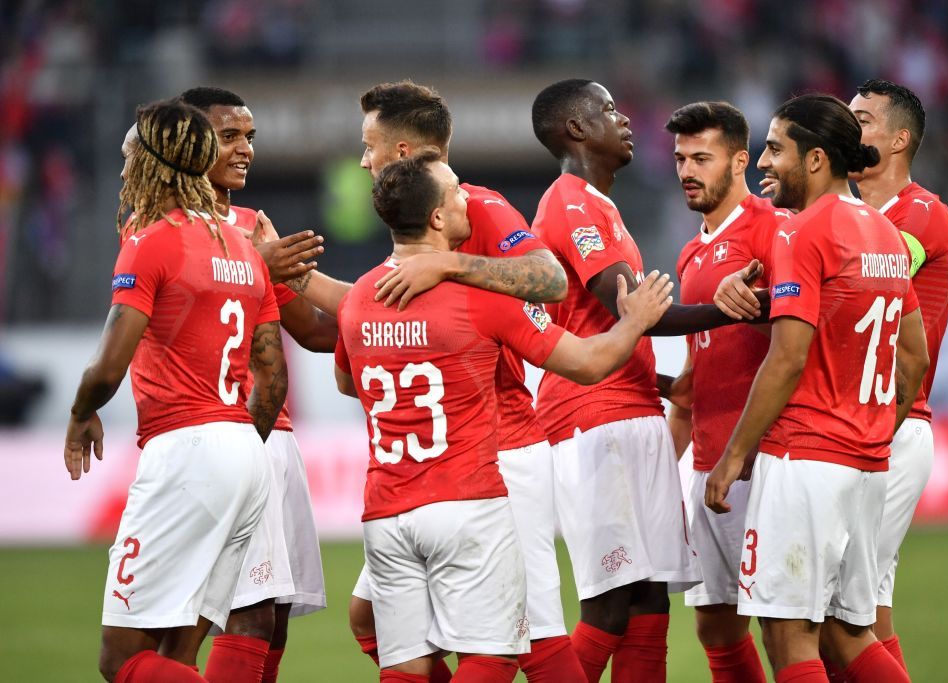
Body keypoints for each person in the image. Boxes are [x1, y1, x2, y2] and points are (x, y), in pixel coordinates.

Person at [335, 149, 675, 683]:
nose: (466, 195)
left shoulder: (357, 299)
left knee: (404, 666)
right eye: (455, 191)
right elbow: (587, 364)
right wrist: (634, 322)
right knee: (493, 655)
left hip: (385, 510)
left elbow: (344, 381)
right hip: (467, 502)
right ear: (438, 218)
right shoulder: (479, 299)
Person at [286, 81, 583, 682]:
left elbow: (551, 279)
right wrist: (291, 274)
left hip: (500, 452)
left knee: (534, 634)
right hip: (439, 467)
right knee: (371, 619)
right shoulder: (410, 226)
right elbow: (357, 316)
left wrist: (449, 262)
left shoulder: (478, 204)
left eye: (368, 146)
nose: (362, 159)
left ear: (401, 152)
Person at [704, 94, 929, 683]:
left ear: (816, 158)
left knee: (789, 636)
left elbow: (786, 357)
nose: (764, 163)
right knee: (849, 635)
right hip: (866, 466)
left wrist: (732, 457)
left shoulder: (801, 233)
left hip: (806, 459)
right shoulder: (883, 232)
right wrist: (873, 427)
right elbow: (915, 356)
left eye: (777, 149)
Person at [64, 98, 287, 682]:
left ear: (156, 161)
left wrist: (80, 412)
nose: (121, 169)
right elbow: (272, 372)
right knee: (176, 654)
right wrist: (234, 443)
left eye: (129, 154)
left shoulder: (152, 239)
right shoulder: (243, 247)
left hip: (185, 450)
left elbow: (109, 366)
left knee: (120, 658)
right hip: (243, 447)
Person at [529, 78, 743, 683]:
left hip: (628, 412)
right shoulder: (570, 202)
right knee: (610, 601)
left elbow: (605, 324)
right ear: (576, 129)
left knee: (648, 599)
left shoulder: (599, 204)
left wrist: (665, 381)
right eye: (608, 110)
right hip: (592, 419)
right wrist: (734, 309)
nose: (624, 119)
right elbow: (630, 309)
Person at [175, 85, 332, 682]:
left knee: (274, 614)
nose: (245, 150)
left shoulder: (252, 224)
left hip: (275, 432)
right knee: (239, 612)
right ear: (189, 142)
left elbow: (313, 333)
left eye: (250, 138)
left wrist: (406, 317)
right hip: (213, 429)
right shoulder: (159, 221)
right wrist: (255, 260)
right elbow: (177, 308)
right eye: (229, 136)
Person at [666, 101, 791, 683]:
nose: (687, 170)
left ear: (740, 161)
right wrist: (666, 467)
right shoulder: (692, 253)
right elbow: (694, 378)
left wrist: (763, 312)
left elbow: (803, 334)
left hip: (762, 462)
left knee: (781, 624)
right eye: (680, 159)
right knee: (715, 622)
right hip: (708, 462)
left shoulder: (772, 228)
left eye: (701, 159)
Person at [846, 79, 948, 674]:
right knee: (868, 615)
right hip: (856, 420)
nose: (849, 128)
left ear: (899, 138)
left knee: (838, 616)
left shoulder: (922, 213)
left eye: (862, 120)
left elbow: (868, 276)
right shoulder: (846, 212)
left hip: (892, 420)